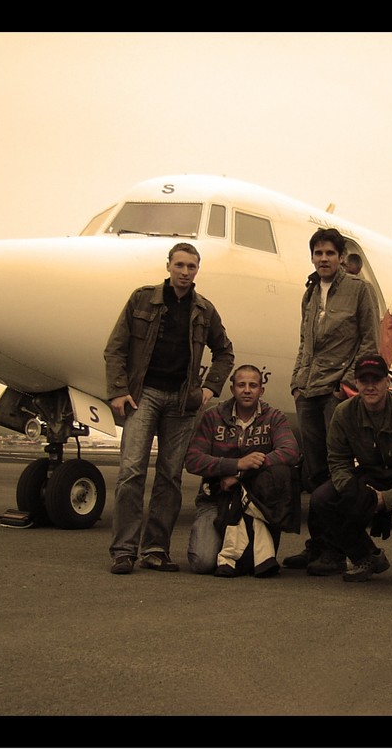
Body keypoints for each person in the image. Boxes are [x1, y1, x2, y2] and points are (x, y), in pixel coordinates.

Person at [104, 242, 235, 575]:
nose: (185, 272)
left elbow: (225, 352)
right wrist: (119, 390)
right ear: (168, 266)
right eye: (179, 265)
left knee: (170, 477)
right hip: (143, 395)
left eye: (191, 266)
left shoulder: (204, 310)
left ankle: (155, 549)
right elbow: (116, 348)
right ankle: (123, 550)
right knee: (131, 471)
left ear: (197, 270)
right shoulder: (142, 299)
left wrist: (209, 389)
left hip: (182, 402)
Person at [283, 227, 379, 569]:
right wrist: (296, 382)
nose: (323, 259)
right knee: (315, 471)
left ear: (340, 258)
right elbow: (304, 343)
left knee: (338, 471)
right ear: (312, 257)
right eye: (318, 253)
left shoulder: (358, 291)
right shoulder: (309, 294)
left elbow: (369, 340)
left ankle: (337, 550)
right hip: (307, 391)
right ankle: (319, 543)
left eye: (329, 253)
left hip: (335, 392)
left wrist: (345, 383)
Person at [305, 354, 392, 586]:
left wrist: (387, 499)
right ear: (356, 383)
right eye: (364, 380)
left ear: (387, 382)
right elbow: (338, 460)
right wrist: (352, 491)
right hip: (370, 473)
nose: (370, 386)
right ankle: (364, 556)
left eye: (376, 379)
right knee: (321, 499)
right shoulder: (344, 413)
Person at [184, 364, 301, 577]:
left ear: (261, 390)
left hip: (254, 502)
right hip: (215, 499)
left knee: (256, 562)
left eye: (253, 385)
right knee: (202, 562)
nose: (247, 390)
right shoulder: (213, 417)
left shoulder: (273, 417)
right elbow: (192, 460)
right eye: (241, 385)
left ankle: (240, 548)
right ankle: (225, 544)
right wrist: (236, 464)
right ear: (232, 388)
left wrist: (242, 474)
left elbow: (290, 452)